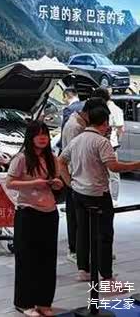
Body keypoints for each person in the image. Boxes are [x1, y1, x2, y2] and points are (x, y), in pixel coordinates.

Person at [58, 106, 140, 283]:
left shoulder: (77, 139)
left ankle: (83, 270)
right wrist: (136, 165)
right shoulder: (102, 142)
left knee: (82, 231)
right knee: (104, 234)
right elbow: (114, 167)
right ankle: (106, 275)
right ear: (105, 122)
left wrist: (70, 183)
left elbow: (61, 161)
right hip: (98, 193)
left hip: (78, 192)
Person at [6, 121, 63, 317]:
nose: (43, 138)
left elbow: (57, 182)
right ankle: (24, 303)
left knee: (47, 259)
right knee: (27, 259)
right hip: (28, 212)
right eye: (38, 134)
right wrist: (33, 183)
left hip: (50, 212)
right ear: (30, 137)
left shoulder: (52, 158)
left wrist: (56, 184)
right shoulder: (21, 158)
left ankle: (44, 301)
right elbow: (10, 182)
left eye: (45, 134)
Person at [60, 97, 106, 264]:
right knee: (76, 218)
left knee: (83, 219)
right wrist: (70, 182)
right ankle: (74, 250)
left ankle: (87, 251)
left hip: (80, 178)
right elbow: (71, 156)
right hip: (76, 177)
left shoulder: (80, 123)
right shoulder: (75, 127)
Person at [93, 88, 125, 208]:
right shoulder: (99, 109)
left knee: (113, 174)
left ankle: (114, 199)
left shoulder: (115, 109)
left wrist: (117, 141)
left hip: (110, 146)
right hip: (101, 145)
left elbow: (121, 128)